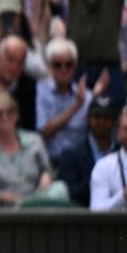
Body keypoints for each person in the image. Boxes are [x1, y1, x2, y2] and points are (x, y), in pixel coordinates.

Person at [0, 90, 67, 204]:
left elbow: (47, 171)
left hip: (35, 201)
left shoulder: (35, 140)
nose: (5, 117)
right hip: (2, 208)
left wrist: (46, 176)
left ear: (16, 114)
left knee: (60, 188)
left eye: (9, 112)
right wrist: (1, 196)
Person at [37, 37, 106, 165]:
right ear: (49, 66)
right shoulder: (40, 91)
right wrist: (76, 105)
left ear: (75, 66)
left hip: (78, 164)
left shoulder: (87, 96)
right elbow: (44, 132)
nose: (63, 69)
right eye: (57, 65)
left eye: (68, 64)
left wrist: (96, 98)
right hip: (48, 162)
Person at [58, 93, 118, 206]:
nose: (101, 122)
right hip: (82, 218)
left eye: (106, 117)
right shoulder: (71, 154)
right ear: (88, 119)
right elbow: (68, 193)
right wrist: (100, 174)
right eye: (97, 117)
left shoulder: (122, 152)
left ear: (113, 120)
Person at [88, 106, 127, 211]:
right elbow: (96, 210)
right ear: (118, 133)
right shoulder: (103, 166)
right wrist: (124, 195)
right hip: (119, 227)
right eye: (126, 129)